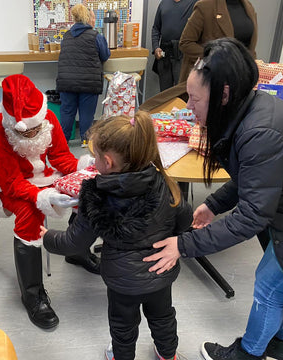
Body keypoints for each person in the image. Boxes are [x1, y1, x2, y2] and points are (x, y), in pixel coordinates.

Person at [144, 37, 283, 360]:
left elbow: (251, 216)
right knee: (278, 278)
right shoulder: (248, 113)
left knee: (269, 284)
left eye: (196, 100)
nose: (189, 108)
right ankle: (282, 342)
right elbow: (255, 180)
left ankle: (249, 353)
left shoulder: (260, 133)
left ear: (223, 95)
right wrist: (213, 204)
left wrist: (182, 245)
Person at [40, 112, 193, 360]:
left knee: (123, 326)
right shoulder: (164, 182)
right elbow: (185, 220)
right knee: (164, 317)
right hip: (161, 273)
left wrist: (47, 236)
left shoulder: (96, 196)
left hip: (122, 282)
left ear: (108, 162)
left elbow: (74, 243)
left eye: (96, 157)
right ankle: (168, 355)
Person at [0, 74, 100, 330]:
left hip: (41, 177)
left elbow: (60, 157)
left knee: (86, 191)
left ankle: (77, 252)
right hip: (6, 185)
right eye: (28, 131)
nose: (34, 134)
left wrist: (85, 165)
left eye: (37, 129)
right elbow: (11, 182)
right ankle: (32, 295)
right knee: (29, 214)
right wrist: (41, 197)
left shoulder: (48, 119)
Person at [56, 3, 110, 146]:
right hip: (88, 82)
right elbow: (105, 55)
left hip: (66, 82)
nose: (94, 21)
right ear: (88, 19)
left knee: (67, 112)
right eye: (93, 18)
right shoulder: (96, 36)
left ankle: (63, 142)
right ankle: (85, 140)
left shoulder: (66, 36)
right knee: (86, 113)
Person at [178, 0, 257, 83]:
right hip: (207, 79)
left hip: (239, 80)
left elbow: (249, 46)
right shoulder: (205, 6)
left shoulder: (249, 7)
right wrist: (217, 59)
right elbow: (186, 43)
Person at [151, 0, 197, 91]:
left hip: (182, 53)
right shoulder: (163, 3)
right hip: (165, 52)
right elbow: (156, 28)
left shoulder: (194, 3)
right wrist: (156, 47)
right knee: (164, 92)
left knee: (181, 91)